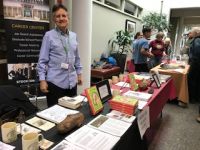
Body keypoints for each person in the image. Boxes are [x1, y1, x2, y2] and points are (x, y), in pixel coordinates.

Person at [37, 4, 83, 107]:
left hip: (72, 83)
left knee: (72, 112)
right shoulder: (48, 36)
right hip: (55, 84)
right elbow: (42, 60)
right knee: (56, 115)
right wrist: (42, 80)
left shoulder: (74, 36)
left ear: (68, 18)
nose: (61, 18)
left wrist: (79, 74)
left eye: (63, 16)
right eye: (58, 16)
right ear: (54, 19)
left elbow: (77, 58)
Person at [187, 27, 200, 122]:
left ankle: (192, 98)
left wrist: (192, 60)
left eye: (191, 32)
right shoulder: (195, 40)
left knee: (192, 79)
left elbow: (196, 53)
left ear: (196, 32)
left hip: (196, 63)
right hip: (196, 63)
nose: (190, 33)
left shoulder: (197, 40)